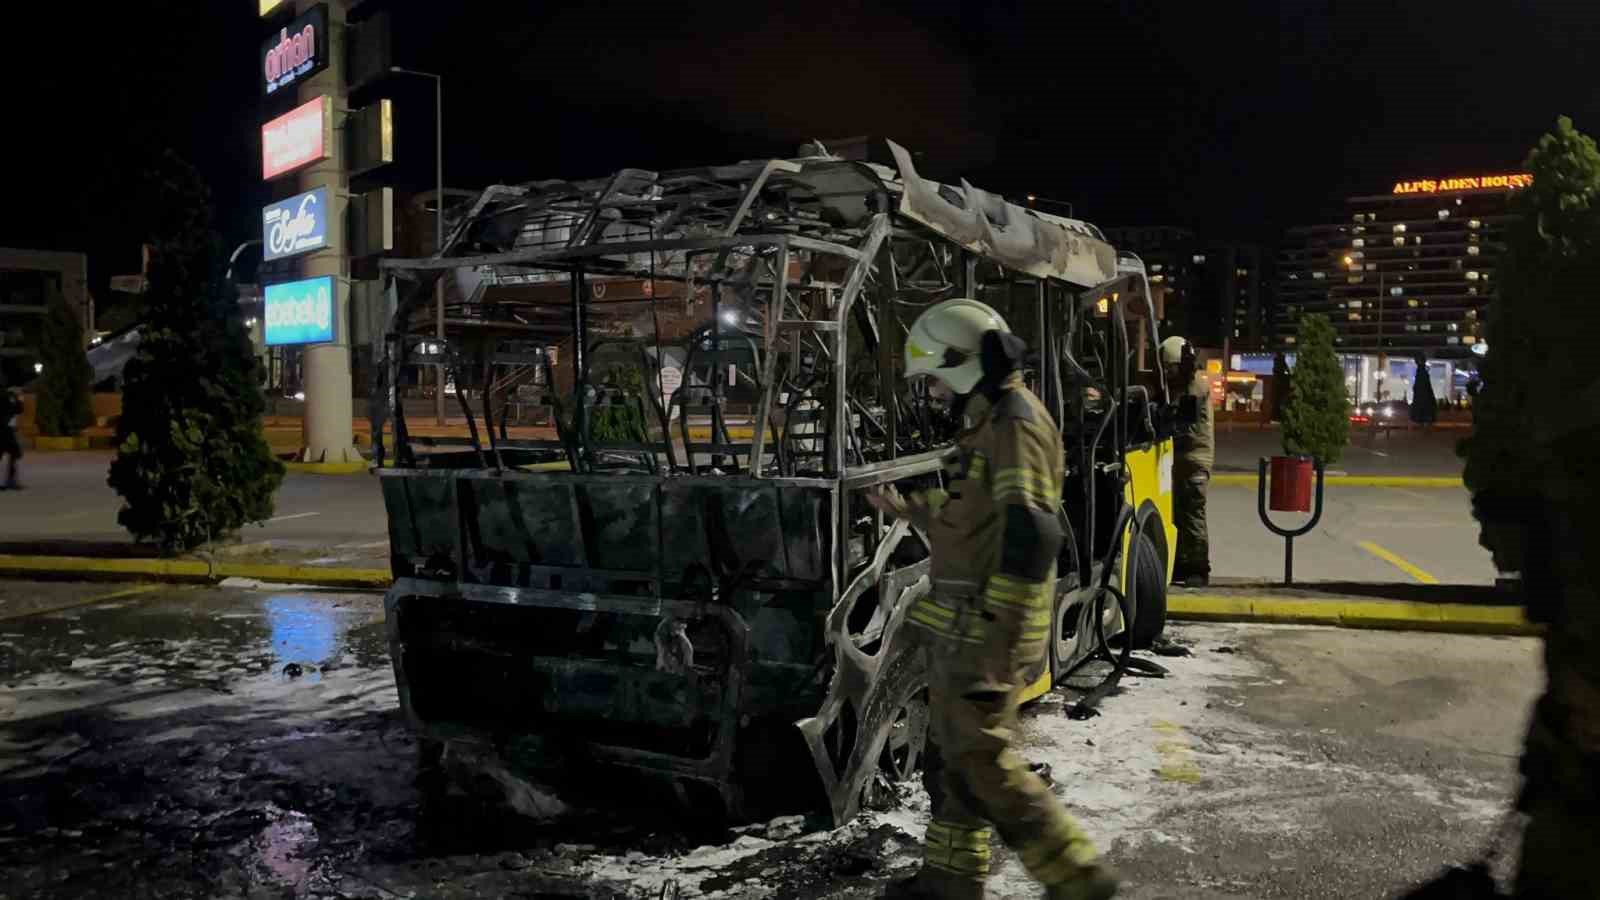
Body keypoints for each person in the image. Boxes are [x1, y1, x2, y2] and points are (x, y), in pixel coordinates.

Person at [869, 298, 1117, 900]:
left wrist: (995, 624)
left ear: (958, 365)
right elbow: (972, 516)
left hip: (990, 623)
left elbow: (1033, 530)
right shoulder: (989, 420)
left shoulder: (1015, 423)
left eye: (932, 379)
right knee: (955, 759)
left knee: (985, 761)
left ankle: (1079, 877)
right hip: (969, 619)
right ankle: (951, 881)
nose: (929, 392)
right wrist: (905, 507)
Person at [1160, 336, 1212, 587]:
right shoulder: (1187, 385)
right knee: (1180, 515)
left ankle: (1200, 568)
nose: (1168, 373)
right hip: (1185, 461)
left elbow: (1185, 426)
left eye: (1169, 367)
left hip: (1194, 460)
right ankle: (1182, 563)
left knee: (1193, 516)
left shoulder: (1194, 388)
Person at [0, 384, 22, 490]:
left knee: (14, 453)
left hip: (8, 430)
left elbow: (19, 410)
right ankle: (9, 482)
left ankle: (10, 481)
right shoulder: (6, 398)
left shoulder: (12, 398)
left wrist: (18, 399)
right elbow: (13, 409)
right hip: (4, 430)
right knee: (15, 452)